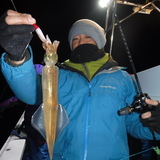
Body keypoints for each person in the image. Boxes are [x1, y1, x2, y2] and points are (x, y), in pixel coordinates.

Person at [0, 9, 160, 160]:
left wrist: (156, 125)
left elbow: (134, 125)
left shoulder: (123, 77)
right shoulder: (58, 74)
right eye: (75, 39)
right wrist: (17, 58)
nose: (81, 41)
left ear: (99, 42)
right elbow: (30, 93)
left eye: (88, 37)